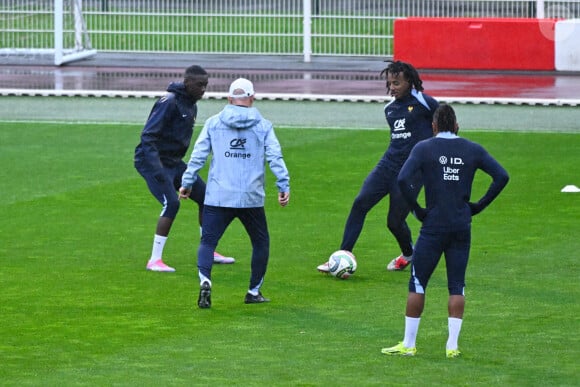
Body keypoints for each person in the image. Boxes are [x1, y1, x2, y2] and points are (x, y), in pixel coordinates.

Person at [381, 104, 509, 358]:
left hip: (433, 226)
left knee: (418, 283)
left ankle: (408, 343)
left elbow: (403, 179)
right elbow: (501, 176)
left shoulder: (424, 148)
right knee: (456, 286)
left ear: (434, 126)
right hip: (462, 225)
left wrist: (416, 209)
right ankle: (452, 346)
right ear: (457, 126)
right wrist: (479, 206)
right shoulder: (473, 149)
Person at [317, 61, 439, 274]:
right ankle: (342, 255)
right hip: (388, 165)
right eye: (390, 83)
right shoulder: (389, 109)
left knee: (394, 222)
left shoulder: (425, 103)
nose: (392, 87)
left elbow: (445, 122)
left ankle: (409, 255)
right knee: (360, 203)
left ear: (409, 82)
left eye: (397, 83)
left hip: (411, 171)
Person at [179, 78, 290, 309]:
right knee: (260, 242)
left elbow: (198, 156)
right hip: (250, 196)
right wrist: (283, 185)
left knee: (208, 241)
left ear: (229, 99)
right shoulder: (263, 126)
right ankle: (253, 291)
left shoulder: (213, 123)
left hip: (219, 195)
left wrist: (187, 182)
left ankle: (205, 280)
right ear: (252, 98)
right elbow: (275, 157)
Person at [134, 65, 235, 273]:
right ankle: (154, 260)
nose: (203, 90)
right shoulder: (169, 103)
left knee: (206, 197)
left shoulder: (191, 105)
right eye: (199, 85)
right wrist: (158, 170)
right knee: (171, 202)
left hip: (173, 162)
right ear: (187, 83)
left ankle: (207, 249)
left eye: (206, 85)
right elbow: (148, 137)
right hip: (153, 162)